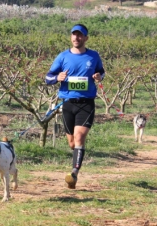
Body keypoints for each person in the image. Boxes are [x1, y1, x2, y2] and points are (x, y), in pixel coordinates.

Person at [45, 24, 105, 189]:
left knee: (79, 138)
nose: (76, 38)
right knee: (72, 143)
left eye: (80, 35)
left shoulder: (93, 56)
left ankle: (74, 173)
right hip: (67, 104)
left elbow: (102, 73)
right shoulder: (63, 57)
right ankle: (75, 166)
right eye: (74, 35)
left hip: (86, 103)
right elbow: (47, 78)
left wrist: (99, 77)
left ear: (86, 38)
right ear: (71, 37)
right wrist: (58, 77)